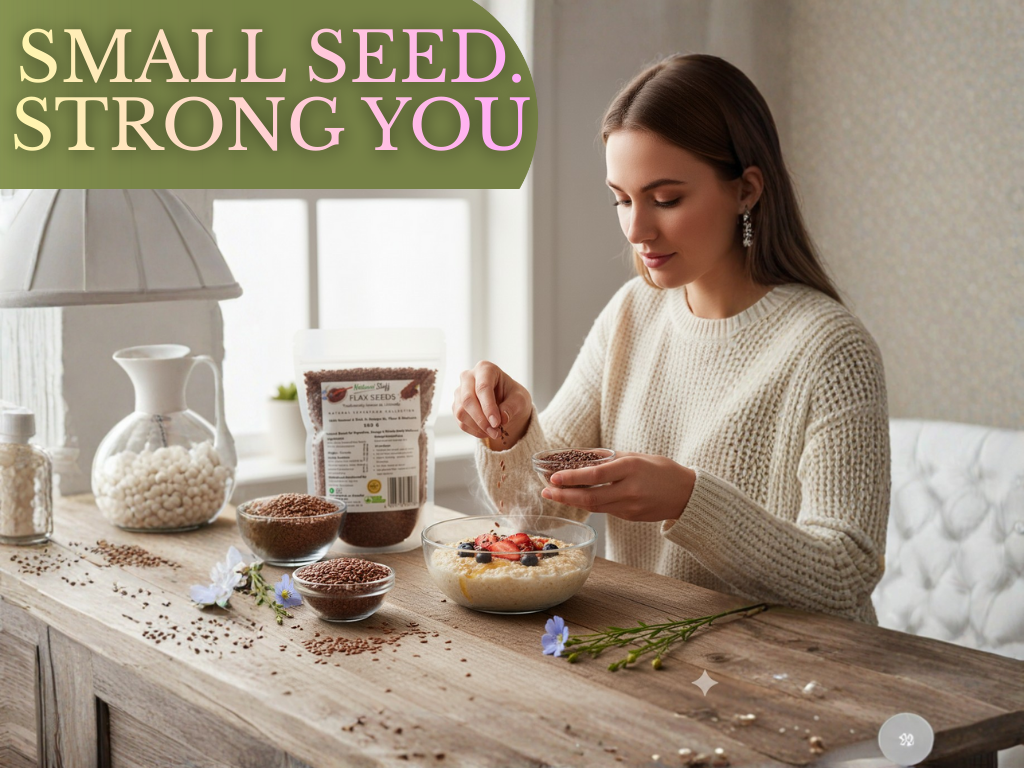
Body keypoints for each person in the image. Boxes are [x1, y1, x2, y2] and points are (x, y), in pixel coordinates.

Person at [452, 53, 890, 624]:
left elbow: (845, 577)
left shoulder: (832, 350)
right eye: (622, 199)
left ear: (747, 190)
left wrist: (689, 501)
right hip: (656, 662)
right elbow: (536, 518)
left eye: (666, 199)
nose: (637, 230)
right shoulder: (632, 313)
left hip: (798, 684)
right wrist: (510, 433)